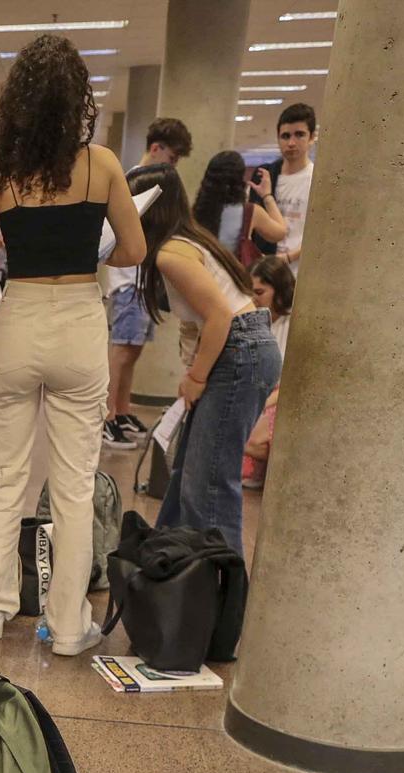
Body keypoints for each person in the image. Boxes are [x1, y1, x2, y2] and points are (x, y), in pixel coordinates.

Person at [0, 36, 146, 651]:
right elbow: (136, 250)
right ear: (77, 100)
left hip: (18, 317)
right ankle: (68, 627)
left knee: (3, 477)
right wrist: (97, 254)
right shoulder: (103, 165)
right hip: (78, 323)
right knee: (73, 485)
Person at [137, 165, 281, 557]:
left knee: (209, 485)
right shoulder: (186, 240)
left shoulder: (170, 252)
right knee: (191, 478)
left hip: (238, 353)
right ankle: (174, 575)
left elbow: (219, 316)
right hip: (243, 350)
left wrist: (196, 377)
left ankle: (220, 600)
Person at [103, 116, 192, 445]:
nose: (174, 165)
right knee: (122, 351)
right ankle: (107, 415)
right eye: (172, 157)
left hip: (143, 281)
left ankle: (122, 409)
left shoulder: (150, 184)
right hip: (128, 282)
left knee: (133, 351)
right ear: (156, 148)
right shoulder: (131, 184)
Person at [241, 255, 294, 491]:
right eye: (249, 292)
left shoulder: (294, 323)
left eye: (260, 292)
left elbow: (294, 384)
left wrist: (263, 404)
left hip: (282, 397)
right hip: (258, 393)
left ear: (280, 291)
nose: (253, 299)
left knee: (254, 440)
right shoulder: (246, 319)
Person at [193, 151, 287, 259]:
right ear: (240, 179)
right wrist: (267, 196)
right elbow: (280, 233)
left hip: (199, 271)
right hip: (233, 273)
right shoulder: (250, 212)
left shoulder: (195, 211)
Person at [267, 104, 317, 271]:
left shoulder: (316, 180)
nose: (291, 143)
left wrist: (288, 258)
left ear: (312, 137)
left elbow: (320, 235)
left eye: (299, 135)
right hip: (267, 273)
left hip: (300, 271)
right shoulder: (267, 177)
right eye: (285, 136)